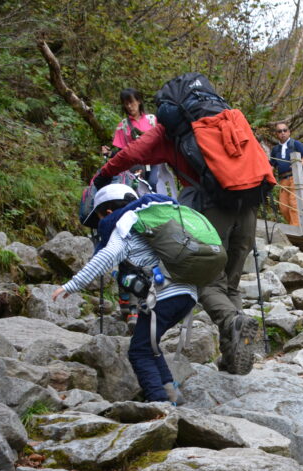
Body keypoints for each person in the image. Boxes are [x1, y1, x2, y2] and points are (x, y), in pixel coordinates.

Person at [92, 114, 260, 376]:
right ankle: (233, 352)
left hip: (212, 206)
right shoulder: (224, 123)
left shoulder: (170, 132)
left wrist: (104, 174)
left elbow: (133, 153)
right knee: (230, 283)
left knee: (207, 279)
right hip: (248, 202)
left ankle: (232, 322)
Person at [53, 184, 194, 403]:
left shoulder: (124, 226)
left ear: (108, 213)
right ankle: (172, 394)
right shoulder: (154, 222)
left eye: (99, 219)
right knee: (150, 344)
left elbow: (104, 257)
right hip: (187, 292)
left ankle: (160, 405)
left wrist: (71, 285)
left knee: (139, 351)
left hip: (163, 295)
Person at [269, 123, 303, 226]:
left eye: (284, 130)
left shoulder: (295, 144)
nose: (282, 133)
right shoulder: (275, 149)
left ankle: (296, 228)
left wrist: (298, 165)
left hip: (296, 177)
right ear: (276, 134)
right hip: (283, 179)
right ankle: (293, 225)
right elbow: (272, 165)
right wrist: (267, 175)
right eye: (279, 131)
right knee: (283, 206)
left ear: (289, 131)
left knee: (294, 202)